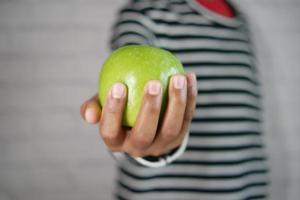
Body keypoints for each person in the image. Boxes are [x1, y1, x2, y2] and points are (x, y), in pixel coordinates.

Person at [80, 0, 269, 199]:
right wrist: (145, 147)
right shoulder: (146, 11)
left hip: (245, 188)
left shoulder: (240, 21)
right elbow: (130, 52)